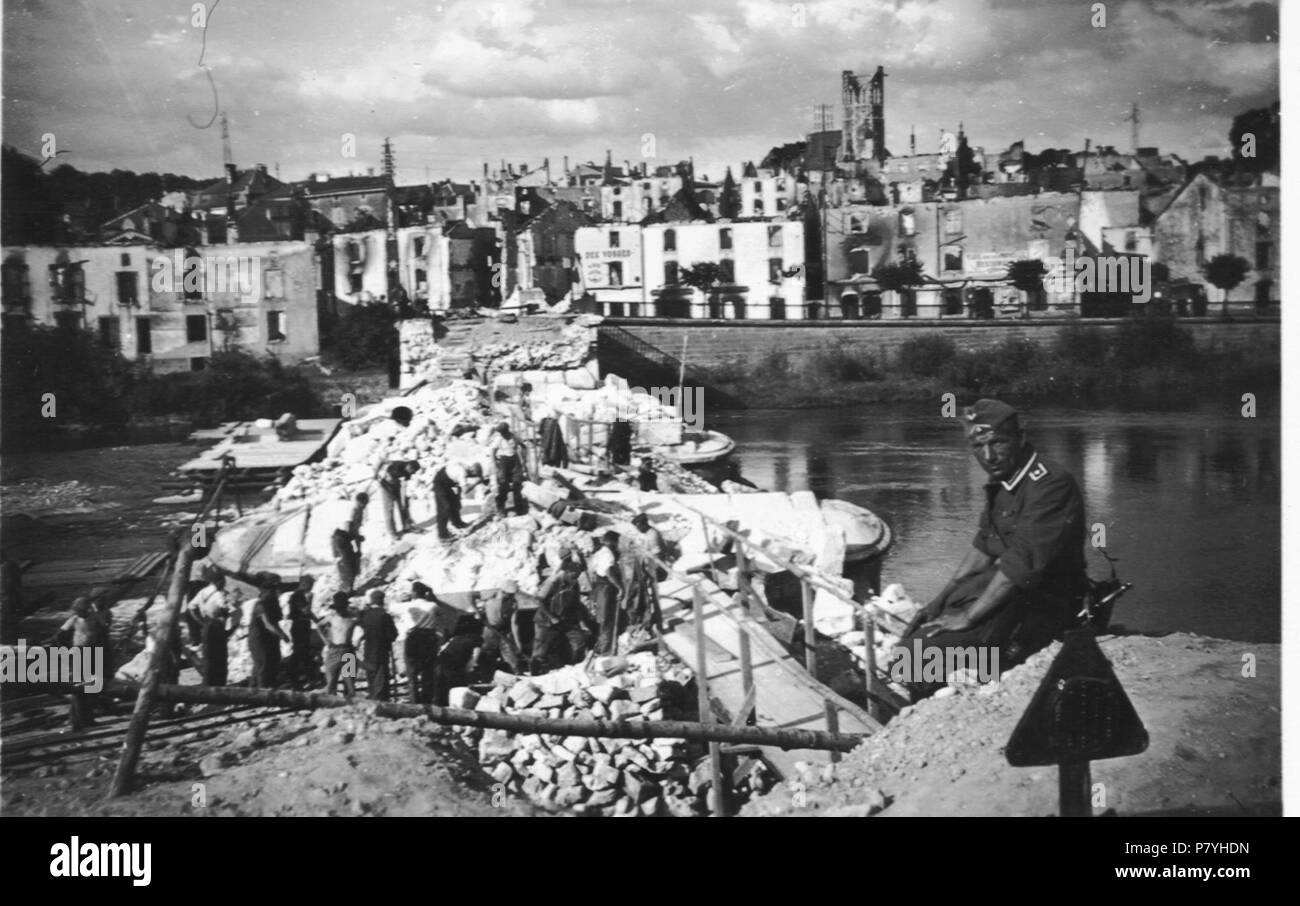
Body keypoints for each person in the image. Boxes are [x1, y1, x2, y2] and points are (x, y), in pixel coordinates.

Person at [896, 399, 1087, 698]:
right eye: (978, 446)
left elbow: (1021, 564)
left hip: (1047, 601)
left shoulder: (1050, 484)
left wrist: (969, 617)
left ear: (1020, 438)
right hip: (1013, 590)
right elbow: (984, 548)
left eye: (998, 443)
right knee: (920, 633)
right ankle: (915, 691)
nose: (988, 456)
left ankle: (921, 702)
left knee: (921, 655)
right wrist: (938, 600)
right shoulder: (1005, 481)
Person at [530, 558, 596, 674]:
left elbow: (576, 605)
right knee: (541, 650)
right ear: (566, 572)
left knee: (579, 642)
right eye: (573, 576)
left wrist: (582, 624)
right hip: (546, 621)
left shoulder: (574, 584)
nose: (575, 579)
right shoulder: (553, 582)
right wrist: (551, 617)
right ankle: (535, 674)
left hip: (565, 619)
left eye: (577, 576)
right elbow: (539, 600)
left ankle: (573, 670)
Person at [59, 597, 106, 731]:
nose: (79, 613)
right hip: (78, 652)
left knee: (93, 687)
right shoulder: (74, 619)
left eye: (81, 611)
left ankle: (89, 718)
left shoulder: (95, 617)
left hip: (93, 651)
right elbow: (61, 634)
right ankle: (77, 720)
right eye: (77, 611)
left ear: (86, 609)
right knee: (79, 687)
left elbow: (103, 632)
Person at [197, 576, 240, 687]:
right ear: (219, 582)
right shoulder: (219, 595)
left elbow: (191, 607)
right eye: (223, 582)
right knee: (218, 659)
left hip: (207, 626)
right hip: (215, 628)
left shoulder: (203, 593)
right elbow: (225, 608)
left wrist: (201, 622)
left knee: (210, 659)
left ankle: (209, 684)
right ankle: (218, 685)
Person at [248, 576, 290, 689]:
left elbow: (276, 621)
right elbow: (268, 624)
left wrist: (280, 633)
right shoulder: (260, 605)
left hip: (270, 638)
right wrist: (282, 635)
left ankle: (261, 686)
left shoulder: (272, 603)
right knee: (263, 663)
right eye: (271, 590)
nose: (273, 593)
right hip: (259, 639)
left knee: (273, 660)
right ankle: (262, 690)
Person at [588, 531, 624, 656]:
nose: (617, 544)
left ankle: (602, 646)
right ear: (611, 541)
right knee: (607, 620)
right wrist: (620, 588)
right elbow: (609, 573)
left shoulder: (598, 553)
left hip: (598, 588)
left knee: (602, 619)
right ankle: (606, 651)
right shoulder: (608, 555)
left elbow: (592, 573)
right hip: (606, 588)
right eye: (616, 542)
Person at [358, 589, 398, 700]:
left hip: (368, 652)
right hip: (381, 652)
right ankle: (380, 706)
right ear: (382, 600)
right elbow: (393, 635)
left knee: (371, 680)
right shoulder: (384, 616)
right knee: (380, 683)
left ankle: (373, 700)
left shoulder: (365, 615)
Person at [319, 592, 358, 697]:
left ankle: (350, 705)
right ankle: (332, 705)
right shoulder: (331, 617)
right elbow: (319, 626)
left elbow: (364, 626)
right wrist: (326, 641)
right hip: (334, 650)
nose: (339, 610)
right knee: (331, 682)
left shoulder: (353, 617)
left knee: (350, 684)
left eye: (341, 607)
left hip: (347, 649)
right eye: (338, 608)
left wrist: (359, 640)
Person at [478, 580, 522, 674]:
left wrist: (518, 643)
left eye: (512, 594)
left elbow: (514, 623)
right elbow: (470, 595)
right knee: (487, 653)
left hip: (504, 631)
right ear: (503, 591)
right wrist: (475, 610)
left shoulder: (513, 603)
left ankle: (517, 672)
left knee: (509, 653)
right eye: (510, 594)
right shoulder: (490, 597)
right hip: (490, 631)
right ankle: (485, 675)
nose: (511, 596)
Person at [433, 461, 483, 541]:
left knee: (455, 503)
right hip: (439, 483)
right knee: (445, 508)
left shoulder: (466, 466)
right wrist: (476, 483)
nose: (472, 476)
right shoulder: (462, 472)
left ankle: (457, 523)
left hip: (448, 482)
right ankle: (442, 535)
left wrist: (457, 496)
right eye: (474, 475)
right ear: (472, 470)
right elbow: (465, 490)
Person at [404, 607, 442, 704]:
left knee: (412, 673)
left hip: (414, 637)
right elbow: (440, 617)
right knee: (428, 672)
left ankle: (414, 700)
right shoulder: (432, 605)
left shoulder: (410, 606)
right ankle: (427, 700)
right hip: (429, 637)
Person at [488, 423, 528, 516]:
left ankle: (519, 509)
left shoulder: (514, 436)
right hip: (503, 461)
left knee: (517, 483)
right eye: (501, 433)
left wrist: (524, 459)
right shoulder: (499, 439)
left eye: (504, 433)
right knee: (503, 485)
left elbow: (523, 446)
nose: (503, 435)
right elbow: (493, 451)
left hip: (514, 460)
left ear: (507, 431)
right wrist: (495, 464)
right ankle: (500, 508)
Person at [286, 576, 317, 688]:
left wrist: (317, 620)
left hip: (302, 625)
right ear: (305, 584)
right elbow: (305, 610)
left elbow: (308, 612)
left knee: (303, 650)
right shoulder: (298, 596)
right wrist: (310, 599)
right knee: (300, 651)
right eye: (311, 584)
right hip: (300, 626)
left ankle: (300, 675)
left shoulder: (299, 595)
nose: (312, 587)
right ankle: (293, 676)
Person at [333, 492, 368, 590]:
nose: (364, 507)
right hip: (342, 538)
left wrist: (358, 547)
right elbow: (347, 529)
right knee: (348, 566)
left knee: (354, 563)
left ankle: (350, 588)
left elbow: (355, 529)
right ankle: (346, 590)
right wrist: (356, 539)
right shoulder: (352, 510)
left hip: (348, 538)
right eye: (364, 504)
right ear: (360, 502)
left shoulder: (359, 510)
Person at [378, 460, 419, 538]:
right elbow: (382, 461)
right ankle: (392, 533)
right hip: (386, 486)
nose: (412, 474)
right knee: (389, 509)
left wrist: (403, 502)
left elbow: (404, 487)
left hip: (397, 486)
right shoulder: (398, 464)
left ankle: (406, 527)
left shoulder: (408, 473)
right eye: (413, 471)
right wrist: (376, 472)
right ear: (409, 466)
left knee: (403, 506)